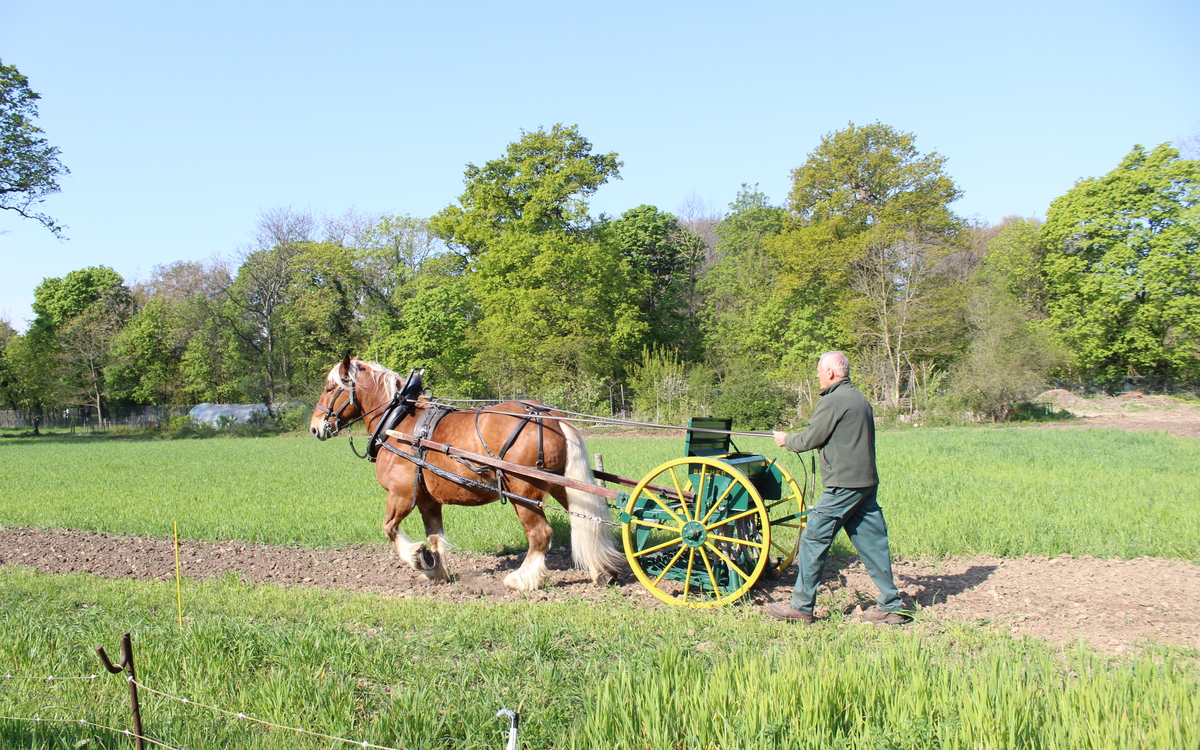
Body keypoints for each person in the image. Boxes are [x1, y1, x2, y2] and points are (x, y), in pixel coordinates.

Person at [765, 351, 909, 626]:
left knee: (813, 538)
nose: (818, 376)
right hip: (864, 482)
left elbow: (810, 438)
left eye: (819, 372)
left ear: (830, 373)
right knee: (872, 543)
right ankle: (892, 605)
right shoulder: (859, 398)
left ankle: (801, 606)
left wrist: (787, 440)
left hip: (843, 485)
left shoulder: (834, 399)